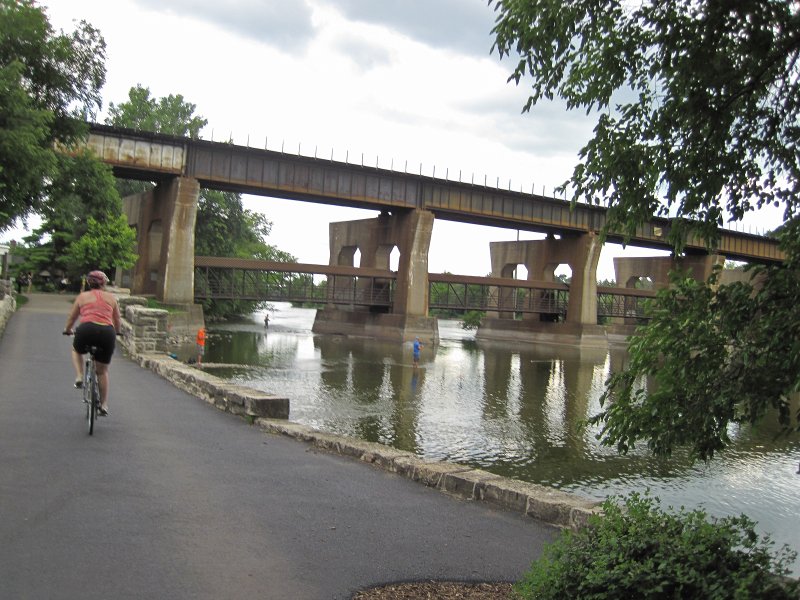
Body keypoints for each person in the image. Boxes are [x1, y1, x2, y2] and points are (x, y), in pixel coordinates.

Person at [63, 270, 121, 417]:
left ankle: (80, 376)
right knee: (102, 371)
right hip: (107, 332)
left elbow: (72, 316)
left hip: (86, 329)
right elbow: (117, 320)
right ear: (103, 283)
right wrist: (118, 332)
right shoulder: (111, 298)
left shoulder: (83, 297)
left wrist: (68, 329)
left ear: (89, 283)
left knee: (76, 350)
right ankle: (103, 404)